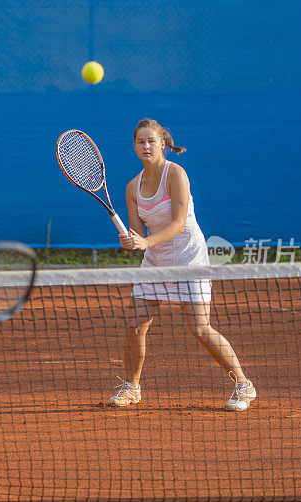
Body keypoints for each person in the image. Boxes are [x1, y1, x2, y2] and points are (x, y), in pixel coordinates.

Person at [107, 118, 256, 412]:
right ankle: (131, 388)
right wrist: (133, 241)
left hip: (189, 259)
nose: (146, 146)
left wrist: (147, 242)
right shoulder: (132, 187)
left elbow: (177, 223)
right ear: (134, 146)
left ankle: (243, 384)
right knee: (135, 325)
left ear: (163, 144)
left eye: (151, 141)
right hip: (156, 262)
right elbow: (138, 234)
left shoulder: (176, 174)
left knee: (200, 328)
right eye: (140, 142)